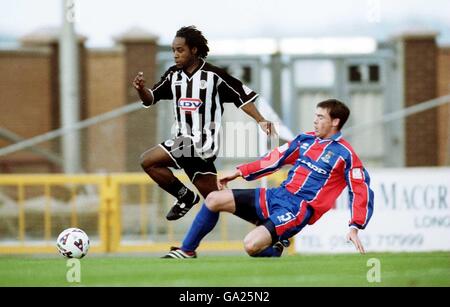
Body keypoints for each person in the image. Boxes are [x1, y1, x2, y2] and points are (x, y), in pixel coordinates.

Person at [162, 99, 374, 258]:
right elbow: (275, 158)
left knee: (251, 246)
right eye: (315, 116)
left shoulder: (345, 155)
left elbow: (361, 190)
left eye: (320, 117)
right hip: (277, 195)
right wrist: (239, 172)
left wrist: (355, 227)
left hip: (296, 209)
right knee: (214, 199)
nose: (315, 120)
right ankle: (187, 251)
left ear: (335, 121)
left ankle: (275, 249)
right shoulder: (305, 140)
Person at [133, 26, 275, 221]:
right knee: (216, 200)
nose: (175, 54)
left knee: (147, 160)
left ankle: (185, 197)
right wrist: (141, 89)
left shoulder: (214, 75)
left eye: (180, 50)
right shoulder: (173, 75)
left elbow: (242, 98)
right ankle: (268, 226)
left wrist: (261, 120)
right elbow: (151, 98)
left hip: (201, 144)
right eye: (173, 50)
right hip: (185, 147)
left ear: (194, 50)